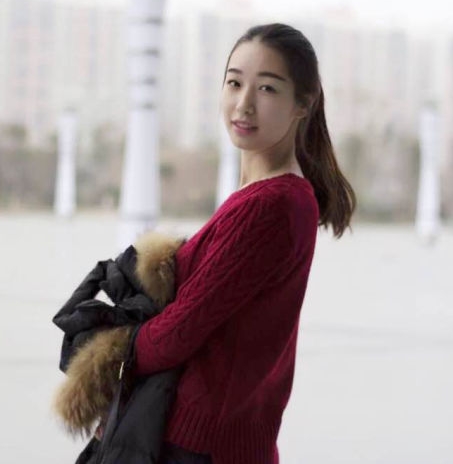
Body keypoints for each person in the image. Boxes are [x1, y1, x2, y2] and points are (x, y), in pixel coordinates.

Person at [135, 23, 356, 464]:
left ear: (303, 104)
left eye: (267, 88)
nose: (244, 104)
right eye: (234, 83)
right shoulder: (266, 197)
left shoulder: (271, 205)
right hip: (219, 442)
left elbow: (175, 335)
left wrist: (107, 356)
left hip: (202, 448)